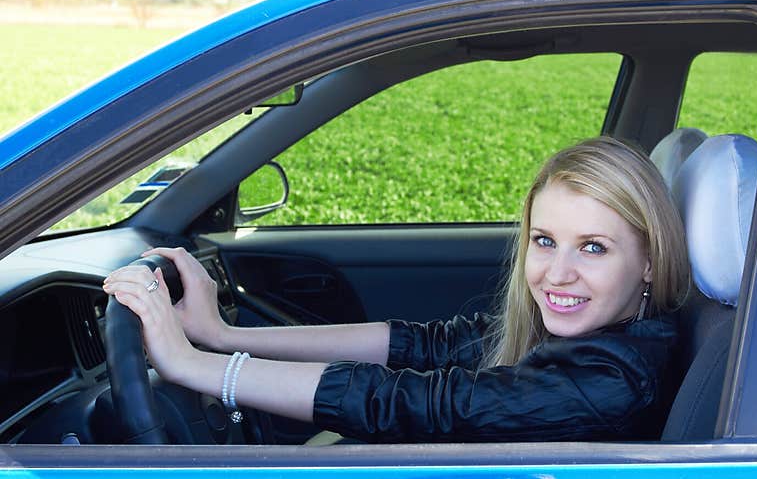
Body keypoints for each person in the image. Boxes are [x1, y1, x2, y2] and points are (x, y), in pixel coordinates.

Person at [102, 136, 690, 443]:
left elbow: (416, 405)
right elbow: (425, 346)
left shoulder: (611, 379)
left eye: (593, 247)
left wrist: (194, 366)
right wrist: (227, 335)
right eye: (544, 240)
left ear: (648, 261)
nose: (557, 273)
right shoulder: (602, 336)